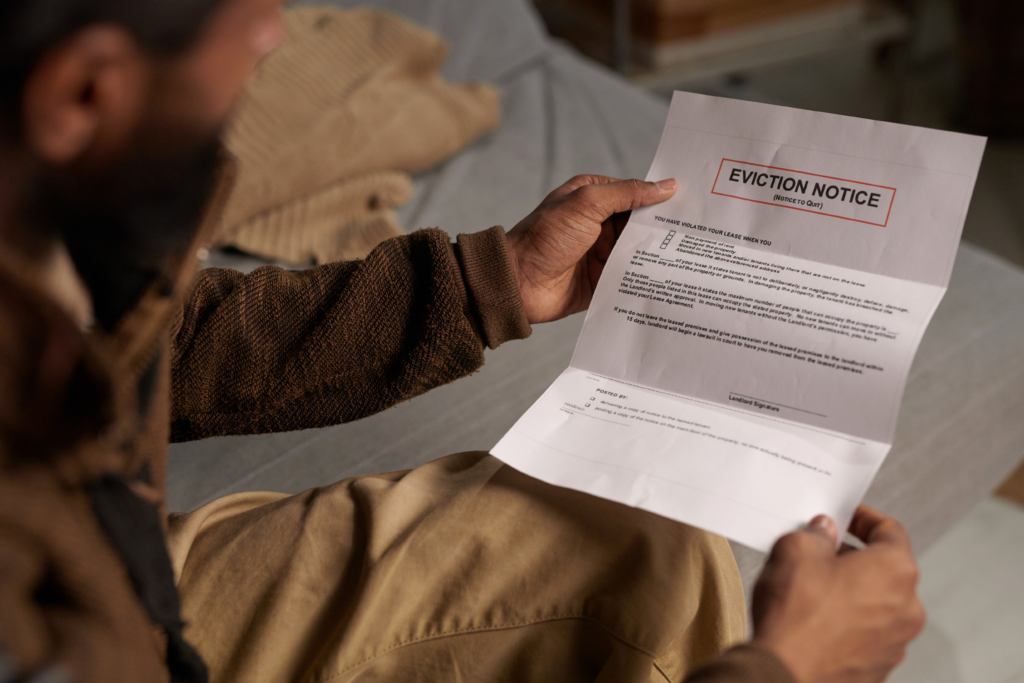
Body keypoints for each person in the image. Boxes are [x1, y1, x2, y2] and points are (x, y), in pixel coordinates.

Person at [0, 0, 925, 682]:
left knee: (647, 547)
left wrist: (494, 282)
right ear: (80, 91)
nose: (275, 36)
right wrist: (791, 669)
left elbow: (160, 347)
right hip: (94, 642)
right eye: (243, 19)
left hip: (121, 578)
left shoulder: (38, 232)